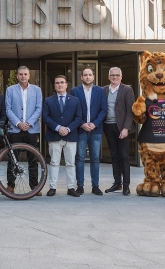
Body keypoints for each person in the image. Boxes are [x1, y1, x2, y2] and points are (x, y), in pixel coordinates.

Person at [42, 75, 83, 197]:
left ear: (66, 85)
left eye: (62, 82)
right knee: (54, 162)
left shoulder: (75, 100)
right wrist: (58, 128)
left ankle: (71, 188)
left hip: (71, 136)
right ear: (54, 86)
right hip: (54, 136)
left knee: (70, 163)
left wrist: (68, 129)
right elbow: (46, 117)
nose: (60, 85)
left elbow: (78, 118)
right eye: (57, 83)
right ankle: (52, 187)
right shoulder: (48, 100)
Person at [5, 66, 43, 195]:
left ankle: (34, 185)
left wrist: (29, 123)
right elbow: (8, 109)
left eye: (25, 74)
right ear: (17, 76)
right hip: (15, 129)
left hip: (31, 129)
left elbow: (39, 108)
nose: (23, 76)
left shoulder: (37, 90)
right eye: (20, 74)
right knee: (12, 158)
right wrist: (18, 123)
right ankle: (10, 185)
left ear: (29, 75)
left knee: (33, 158)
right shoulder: (10, 90)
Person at [71, 68, 107, 196]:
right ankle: (80, 186)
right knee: (80, 158)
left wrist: (94, 124)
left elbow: (103, 110)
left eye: (89, 75)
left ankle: (95, 186)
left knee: (95, 158)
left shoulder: (100, 91)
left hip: (95, 130)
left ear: (93, 77)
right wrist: (82, 124)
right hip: (81, 129)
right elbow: (73, 110)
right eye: (85, 75)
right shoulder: (74, 91)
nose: (87, 77)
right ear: (81, 77)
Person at [103, 67, 136, 196]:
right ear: (108, 77)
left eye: (117, 75)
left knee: (124, 156)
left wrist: (126, 128)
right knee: (114, 156)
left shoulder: (127, 90)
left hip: (122, 128)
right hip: (108, 126)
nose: (114, 77)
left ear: (121, 77)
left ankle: (126, 185)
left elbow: (130, 110)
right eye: (112, 75)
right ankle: (117, 183)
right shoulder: (104, 90)